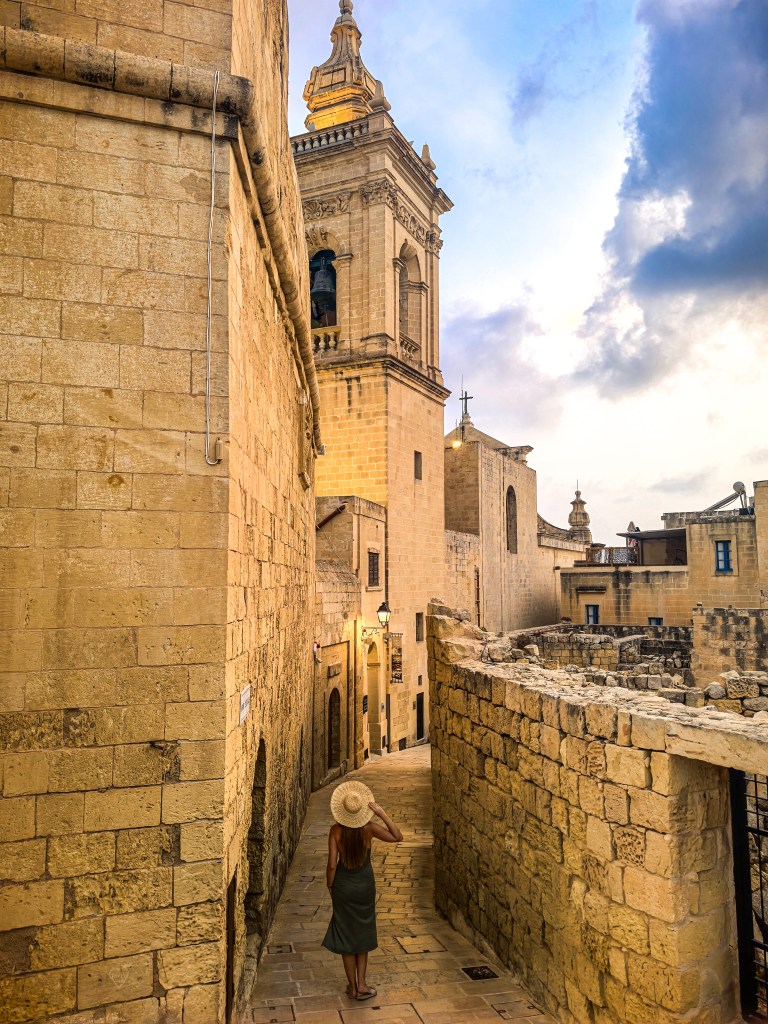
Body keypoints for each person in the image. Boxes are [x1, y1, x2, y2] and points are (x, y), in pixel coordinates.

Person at [322, 779, 403, 1000]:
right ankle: (363, 985)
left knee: (347, 935)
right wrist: (382, 814)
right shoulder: (369, 829)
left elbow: (331, 864)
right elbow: (397, 836)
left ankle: (351, 987)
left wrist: (331, 885)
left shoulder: (336, 831)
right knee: (363, 931)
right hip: (365, 886)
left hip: (343, 887)